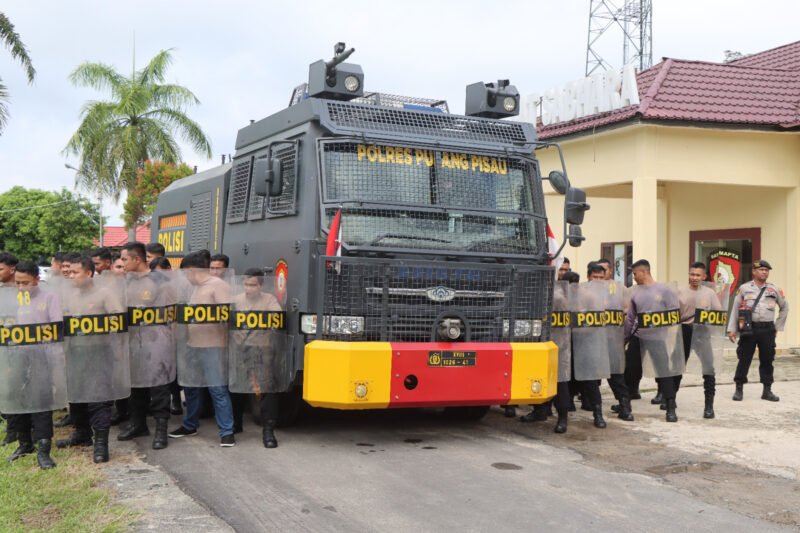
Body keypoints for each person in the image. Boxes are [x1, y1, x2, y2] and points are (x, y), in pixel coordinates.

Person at [57, 256, 126, 462]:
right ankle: (82, 433)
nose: (71, 276)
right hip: (75, 353)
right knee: (76, 396)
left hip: (99, 352)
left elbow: (119, 321)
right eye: (69, 273)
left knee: (99, 399)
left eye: (75, 272)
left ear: (88, 273)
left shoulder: (105, 294)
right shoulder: (69, 295)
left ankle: (101, 444)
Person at [169, 252, 236, 447]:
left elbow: (228, 317)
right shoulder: (193, 288)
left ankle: (227, 431)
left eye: (185, 272)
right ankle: (190, 425)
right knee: (191, 387)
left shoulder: (218, 286)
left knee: (217, 389)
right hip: (192, 345)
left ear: (191, 270)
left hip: (213, 347)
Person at [4, 261, 63, 469]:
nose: (21, 287)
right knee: (17, 398)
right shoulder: (12, 300)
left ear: (37, 280)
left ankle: (43, 449)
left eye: (25, 283)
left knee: (41, 401)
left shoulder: (49, 298)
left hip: (41, 357)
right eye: (18, 283)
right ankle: (24, 443)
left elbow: (56, 330)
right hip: (16, 357)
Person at [117, 242, 174, 449]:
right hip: (133, 341)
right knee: (135, 386)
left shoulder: (160, 281)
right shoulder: (126, 282)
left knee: (159, 386)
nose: (121, 264)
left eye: (124, 259)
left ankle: (161, 429)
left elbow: (171, 311)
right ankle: (138, 423)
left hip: (157, 341)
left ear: (137, 259)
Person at [230, 268, 284, 447]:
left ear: (260, 285)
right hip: (240, 348)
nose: (248, 288)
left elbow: (277, 316)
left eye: (252, 285)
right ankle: (236, 423)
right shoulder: (236, 300)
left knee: (266, 389)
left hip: (262, 350)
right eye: (245, 284)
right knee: (237, 387)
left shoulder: (269, 300)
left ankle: (268, 430)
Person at [624, 259, 683, 422]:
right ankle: (625, 405)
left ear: (644, 272)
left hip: (657, 339)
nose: (634, 277)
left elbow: (674, 315)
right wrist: (625, 339)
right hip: (638, 336)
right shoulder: (635, 292)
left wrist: (671, 338)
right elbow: (630, 319)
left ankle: (670, 407)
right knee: (630, 371)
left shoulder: (664, 290)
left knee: (664, 372)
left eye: (635, 273)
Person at [727, 260, 789, 402]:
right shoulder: (744, 288)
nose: (764, 272)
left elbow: (785, 307)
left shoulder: (774, 289)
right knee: (744, 359)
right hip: (749, 329)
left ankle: (767, 390)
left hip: (767, 329)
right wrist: (732, 330)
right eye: (761, 270)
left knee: (767, 360)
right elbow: (736, 310)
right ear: (754, 272)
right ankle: (739, 389)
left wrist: (777, 327)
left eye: (766, 270)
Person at [678, 262, 724, 418]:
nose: (694, 278)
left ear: (704, 277)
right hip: (683, 331)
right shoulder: (679, 291)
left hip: (702, 333)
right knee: (677, 366)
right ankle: (668, 398)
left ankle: (709, 406)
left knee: (709, 369)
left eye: (698, 275)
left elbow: (718, 315)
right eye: (692, 274)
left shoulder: (710, 293)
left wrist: (709, 321)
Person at [598, 258, 634, 422]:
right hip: (593, 338)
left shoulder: (620, 288)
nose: (602, 273)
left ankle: (625, 406)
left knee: (616, 374)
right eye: (599, 270)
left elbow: (627, 311)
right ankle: (591, 405)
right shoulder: (589, 288)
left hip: (613, 338)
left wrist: (623, 335)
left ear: (610, 270)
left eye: (604, 270)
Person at [0, 252, 19, 446]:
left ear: (12, 269)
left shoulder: (23, 291)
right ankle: (11, 428)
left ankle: (18, 430)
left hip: (20, 347)